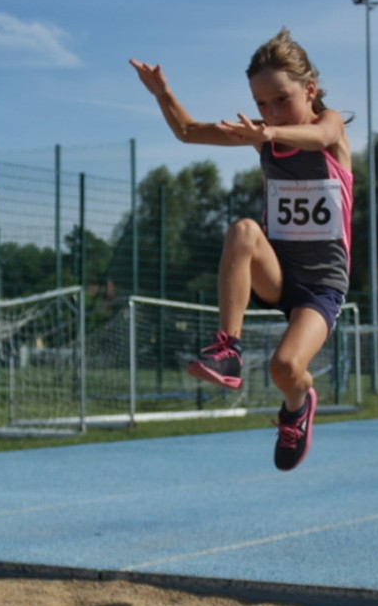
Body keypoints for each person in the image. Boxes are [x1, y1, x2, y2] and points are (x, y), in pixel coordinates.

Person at [130, 28, 353, 472]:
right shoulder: (264, 134)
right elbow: (188, 131)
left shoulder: (330, 128)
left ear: (310, 90)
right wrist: (163, 93)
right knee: (243, 230)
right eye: (261, 104)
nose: (269, 111)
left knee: (284, 368)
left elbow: (319, 135)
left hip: (321, 286)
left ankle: (298, 404)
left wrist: (267, 132)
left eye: (281, 99)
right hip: (277, 272)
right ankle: (226, 348)